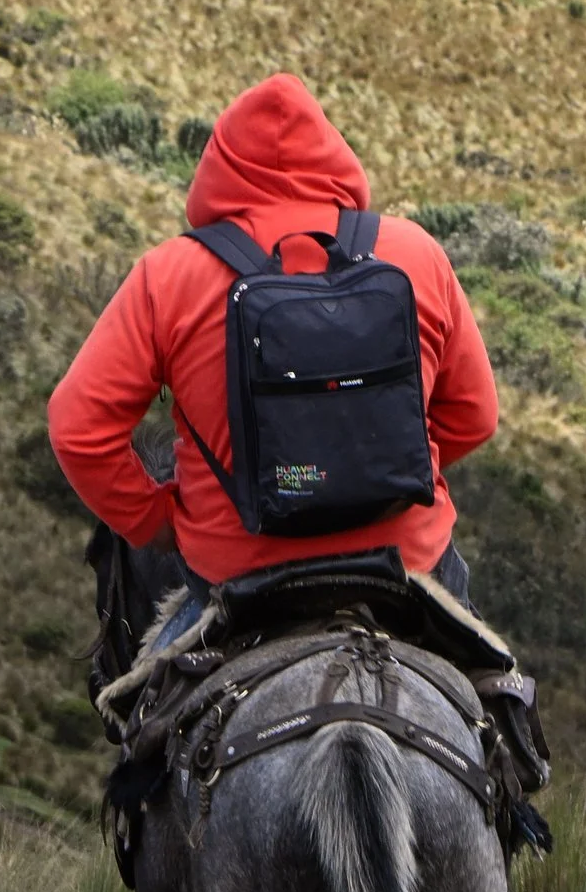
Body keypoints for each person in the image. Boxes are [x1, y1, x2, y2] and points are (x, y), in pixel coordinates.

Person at [47, 70, 500, 608]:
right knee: (482, 660)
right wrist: (381, 472)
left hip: (238, 572)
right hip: (408, 560)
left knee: (151, 660)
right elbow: (475, 415)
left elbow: (78, 430)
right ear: (335, 157)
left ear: (217, 169)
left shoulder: (168, 275)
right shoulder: (416, 252)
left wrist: (156, 521)